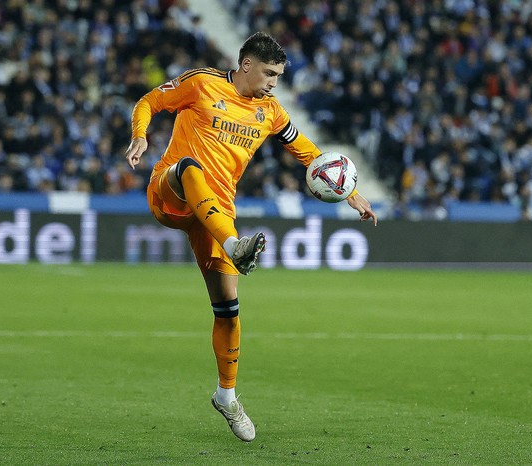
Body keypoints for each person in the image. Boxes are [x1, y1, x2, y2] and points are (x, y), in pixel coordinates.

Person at [124, 32, 378, 442]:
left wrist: (351, 193)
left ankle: (227, 395)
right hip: (170, 191)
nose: (274, 82)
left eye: (278, 75)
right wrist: (140, 134)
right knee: (189, 166)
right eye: (269, 73)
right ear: (246, 66)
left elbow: (307, 151)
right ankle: (233, 246)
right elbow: (149, 101)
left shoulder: (271, 112)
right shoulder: (202, 82)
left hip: (217, 214)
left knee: (228, 309)